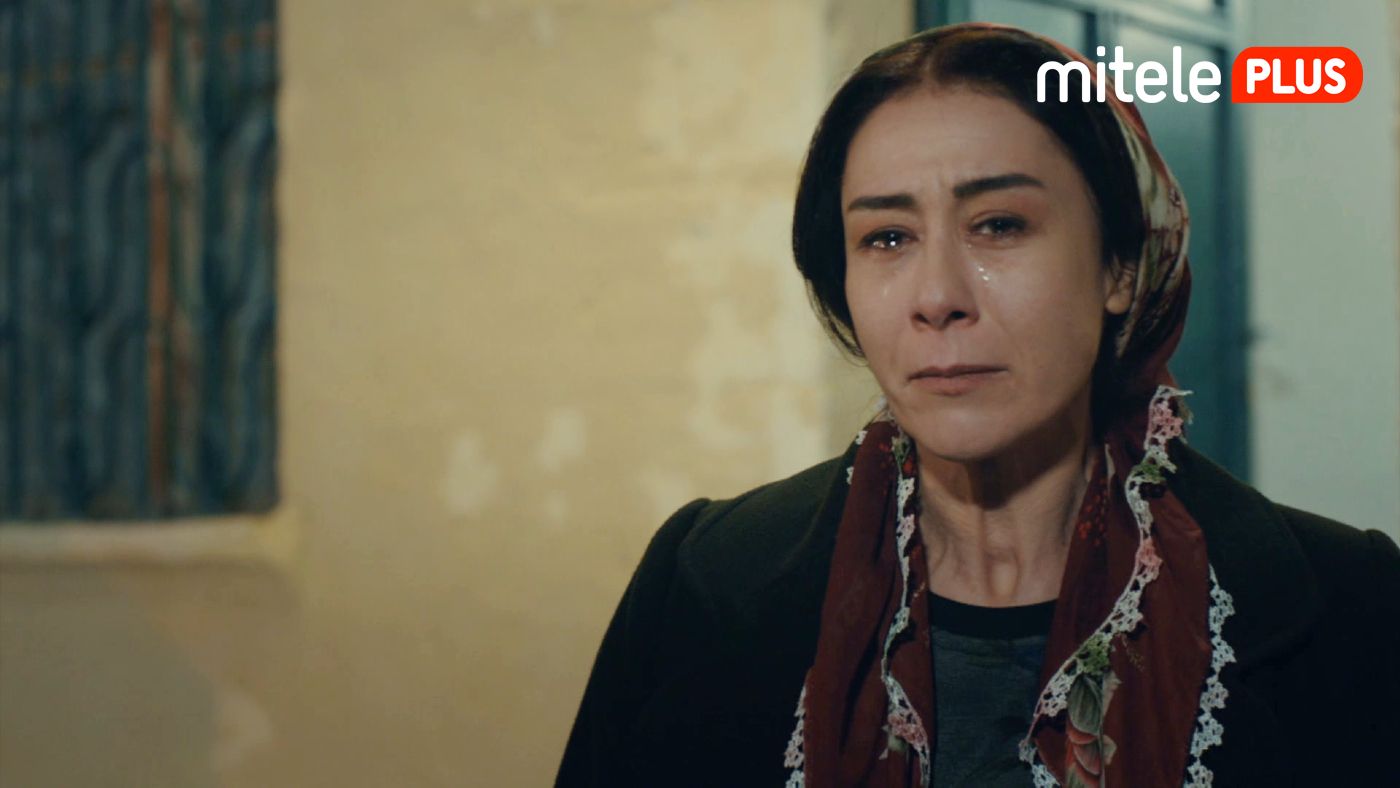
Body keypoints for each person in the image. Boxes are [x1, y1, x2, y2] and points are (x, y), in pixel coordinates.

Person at [555, 22, 1400, 787]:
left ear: (1119, 265)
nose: (937, 297)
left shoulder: (1348, 604)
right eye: (887, 237)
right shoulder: (703, 584)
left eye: (999, 225)